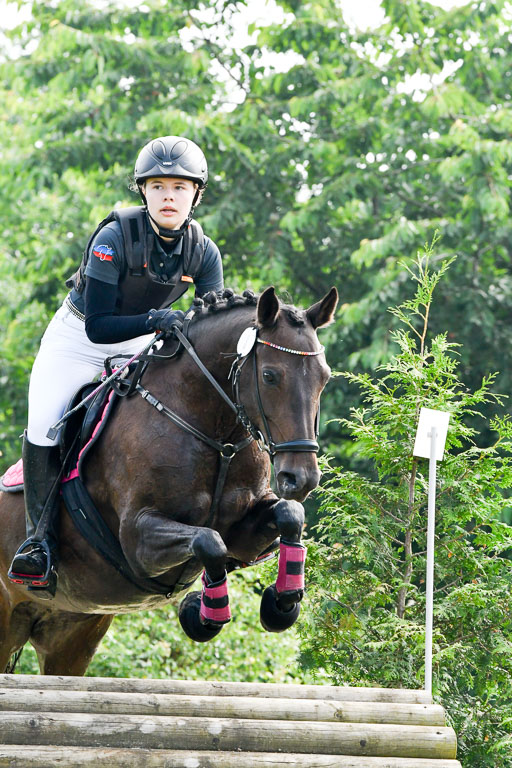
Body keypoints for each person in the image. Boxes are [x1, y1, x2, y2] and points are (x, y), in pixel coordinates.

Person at [8, 135, 224, 597]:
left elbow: (207, 329)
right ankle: (38, 542)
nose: (168, 196)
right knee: (45, 425)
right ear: (143, 191)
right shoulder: (113, 238)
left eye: (180, 187)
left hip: (143, 340)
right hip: (78, 338)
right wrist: (157, 320)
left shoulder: (204, 252)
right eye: (158, 186)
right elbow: (99, 327)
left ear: (196, 194)